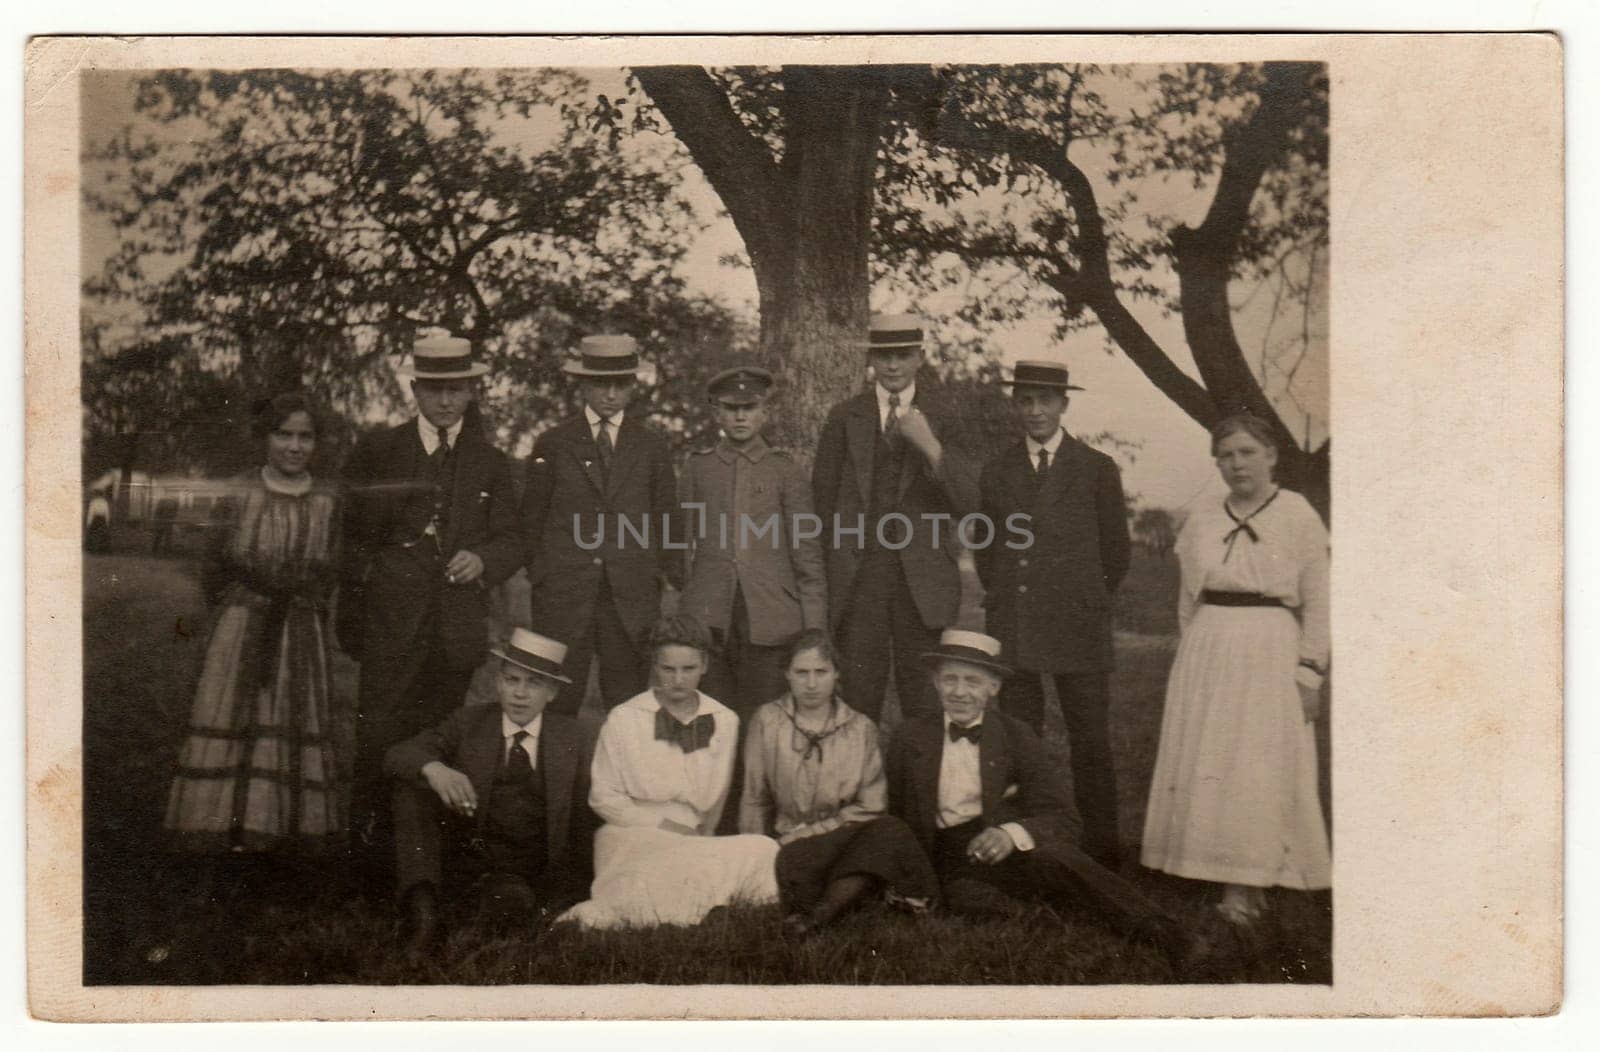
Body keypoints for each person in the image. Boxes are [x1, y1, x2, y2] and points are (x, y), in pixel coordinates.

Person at [887, 629, 1195, 967]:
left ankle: (1161, 930)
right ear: (935, 682)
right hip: (948, 857)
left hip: (1003, 842)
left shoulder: (1016, 734)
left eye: (973, 682)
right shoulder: (909, 736)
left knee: (1060, 857)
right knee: (967, 897)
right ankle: (1034, 913)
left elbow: (1063, 816)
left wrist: (1012, 834)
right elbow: (896, 813)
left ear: (994, 687)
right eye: (950, 680)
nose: (960, 692)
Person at [337, 332, 523, 877]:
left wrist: (483, 559)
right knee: (378, 738)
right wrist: (355, 614)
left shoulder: (488, 460)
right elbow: (351, 541)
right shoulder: (379, 450)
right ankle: (367, 864)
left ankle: (431, 860)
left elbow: (513, 537)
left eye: (457, 390)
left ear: (472, 392)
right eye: (435, 389)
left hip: (456, 630)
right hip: (391, 624)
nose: (445, 401)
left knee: (442, 740)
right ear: (415, 390)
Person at [1140, 414, 1331, 926]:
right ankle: (1205, 862)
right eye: (1226, 455)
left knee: (1257, 762)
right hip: (1209, 644)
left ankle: (1249, 883)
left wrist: (1311, 670)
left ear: (1271, 456)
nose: (1237, 463)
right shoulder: (1202, 516)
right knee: (1210, 755)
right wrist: (1192, 653)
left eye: (1247, 452)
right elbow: (1187, 598)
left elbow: (1319, 601)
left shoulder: (1297, 514)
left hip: (1269, 646)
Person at [163, 393, 345, 858]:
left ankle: (282, 825)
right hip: (243, 623)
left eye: (305, 437)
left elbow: (332, 569)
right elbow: (214, 568)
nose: (294, 446)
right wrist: (241, 610)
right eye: (283, 434)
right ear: (266, 437)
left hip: (301, 628)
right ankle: (220, 826)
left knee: (290, 717)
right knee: (234, 713)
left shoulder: (327, 500)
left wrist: (303, 602)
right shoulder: (241, 491)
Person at [975, 359, 1132, 867]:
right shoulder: (998, 470)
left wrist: (1082, 597)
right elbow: (987, 550)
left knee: (1089, 736)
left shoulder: (1096, 468)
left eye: (1046, 400)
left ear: (1065, 404)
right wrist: (1009, 596)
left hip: (1077, 622)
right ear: (1015, 405)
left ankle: (1103, 849)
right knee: (1021, 736)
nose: (1036, 410)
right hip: (1016, 621)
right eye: (1026, 400)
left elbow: (1116, 554)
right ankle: (1026, 843)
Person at [811, 312, 979, 722]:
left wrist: (930, 446)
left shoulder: (945, 415)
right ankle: (856, 785)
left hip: (922, 583)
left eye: (902, 355)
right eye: (883, 355)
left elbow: (971, 498)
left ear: (919, 358)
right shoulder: (845, 416)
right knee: (857, 698)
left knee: (922, 699)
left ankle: (915, 786)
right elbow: (822, 501)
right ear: (871, 359)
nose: (892, 366)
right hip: (860, 577)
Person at [384, 628, 595, 954]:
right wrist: (436, 770)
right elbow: (399, 755)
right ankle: (422, 911)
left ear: (552, 693)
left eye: (533, 683)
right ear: (498, 683)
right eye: (512, 681)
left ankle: (481, 917)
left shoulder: (574, 737)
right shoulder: (470, 723)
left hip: (530, 868)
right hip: (470, 856)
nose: (520, 694)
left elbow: (591, 810)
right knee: (411, 789)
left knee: (508, 904)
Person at [560, 616, 779, 929]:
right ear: (654, 665)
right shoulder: (625, 718)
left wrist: (702, 834)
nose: (678, 680)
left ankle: (696, 904)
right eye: (668, 669)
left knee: (763, 848)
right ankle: (693, 907)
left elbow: (715, 801)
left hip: (694, 834)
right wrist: (666, 826)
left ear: (704, 666)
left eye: (688, 669)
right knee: (661, 871)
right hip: (630, 832)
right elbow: (603, 798)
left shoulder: (723, 719)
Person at [521, 334, 682, 716]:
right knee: (558, 703)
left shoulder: (650, 446)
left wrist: (659, 577)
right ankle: (559, 776)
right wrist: (545, 575)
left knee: (628, 705)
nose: (610, 394)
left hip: (630, 601)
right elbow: (531, 521)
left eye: (620, 384)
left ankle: (620, 777)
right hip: (564, 598)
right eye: (600, 384)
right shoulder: (553, 443)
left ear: (632, 386)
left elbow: (667, 520)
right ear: (583, 385)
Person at [740, 629, 939, 937]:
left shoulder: (860, 728)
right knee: (869, 859)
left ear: (836, 674)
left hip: (843, 841)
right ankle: (874, 895)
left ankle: (817, 918)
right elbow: (754, 797)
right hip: (788, 845)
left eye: (821, 672)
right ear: (786, 675)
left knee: (887, 830)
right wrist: (754, 855)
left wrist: (814, 832)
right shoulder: (767, 720)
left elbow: (872, 806)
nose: (811, 683)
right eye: (801, 672)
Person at [679, 365, 827, 716]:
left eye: (749, 408)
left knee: (764, 718)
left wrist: (814, 629)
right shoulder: (699, 468)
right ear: (717, 412)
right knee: (712, 718)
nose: (740, 417)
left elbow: (807, 556)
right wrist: (688, 609)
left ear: (765, 412)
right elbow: (680, 548)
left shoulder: (784, 470)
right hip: (710, 617)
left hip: (771, 619)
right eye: (731, 408)